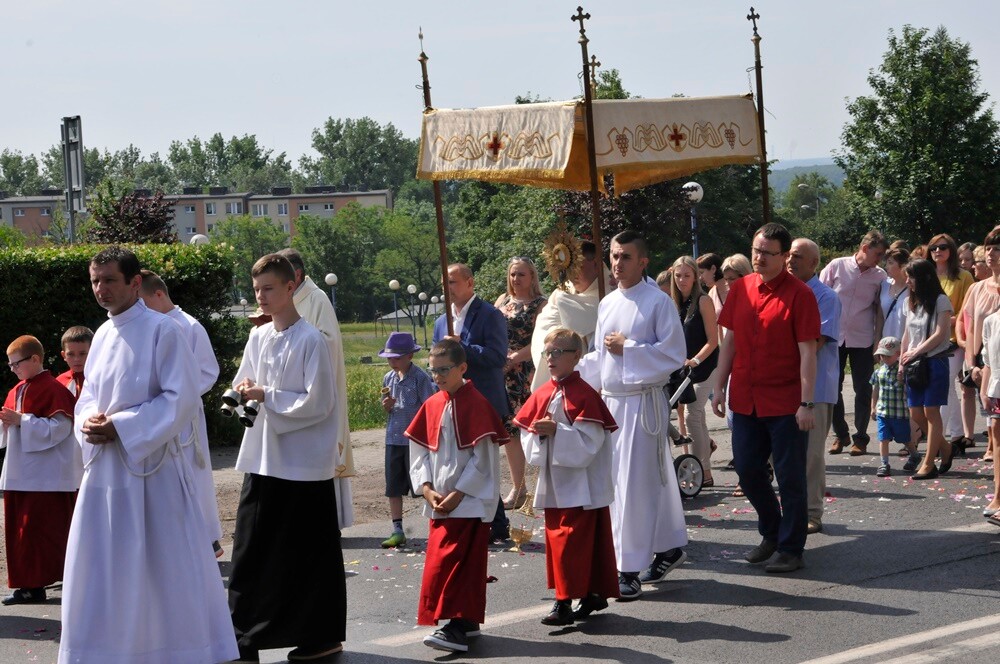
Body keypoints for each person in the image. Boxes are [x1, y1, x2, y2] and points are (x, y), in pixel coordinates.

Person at [60, 246, 238, 664]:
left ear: (135, 283)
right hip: (105, 475)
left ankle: (176, 650)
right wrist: (87, 420)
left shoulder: (164, 330)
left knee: (162, 567)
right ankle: (107, 650)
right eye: (95, 280)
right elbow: (87, 397)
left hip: (152, 472)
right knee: (107, 566)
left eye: (109, 280)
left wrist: (121, 427)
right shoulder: (101, 335)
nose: (100, 289)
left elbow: (180, 399)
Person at [577, 230, 688, 601]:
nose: (616, 263)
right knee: (625, 483)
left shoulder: (658, 303)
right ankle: (668, 545)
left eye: (625, 256)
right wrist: (570, 378)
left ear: (643, 261)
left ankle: (627, 569)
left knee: (634, 485)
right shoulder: (607, 303)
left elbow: (673, 355)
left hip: (642, 404)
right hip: (612, 403)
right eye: (613, 255)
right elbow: (600, 357)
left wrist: (631, 348)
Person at [712, 223, 819, 574]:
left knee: (790, 477)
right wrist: (719, 384)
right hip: (746, 398)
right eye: (756, 250)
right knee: (747, 469)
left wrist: (806, 403)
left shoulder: (800, 295)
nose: (758, 257)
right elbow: (730, 341)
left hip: (786, 402)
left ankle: (791, 549)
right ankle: (772, 532)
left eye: (767, 253)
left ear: (785, 256)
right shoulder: (741, 288)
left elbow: (808, 353)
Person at [405, 339, 507, 654]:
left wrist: (460, 492)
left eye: (444, 370)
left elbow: (484, 461)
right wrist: (426, 488)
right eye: (433, 370)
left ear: (462, 368)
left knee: (456, 565)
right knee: (450, 563)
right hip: (441, 500)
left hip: (469, 501)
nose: (437, 377)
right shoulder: (433, 404)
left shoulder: (478, 404)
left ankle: (457, 628)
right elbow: (419, 451)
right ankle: (468, 622)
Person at [513, 328, 619, 625]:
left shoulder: (586, 394)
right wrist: (539, 435)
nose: (551, 358)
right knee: (565, 542)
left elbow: (589, 445)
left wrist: (558, 431)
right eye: (548, 352)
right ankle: (588, 594)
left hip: (582, 486)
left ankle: (563, 602)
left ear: (577, 356)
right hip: (555, 482)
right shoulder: (542, 393)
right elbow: (527, 437)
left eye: (558, 352)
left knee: (571, 544)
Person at [139, 269, 224, 557]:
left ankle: (206, 538)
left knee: (192, 473)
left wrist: (178, 394)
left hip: (184, 416)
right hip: (155, 414)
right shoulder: (146, 326)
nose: (139, 309)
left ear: (159, 294)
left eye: (143, 301)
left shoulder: (189, 326)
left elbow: (208, 371)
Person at [276, 247, 354, 529]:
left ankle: (328, 520)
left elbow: (328, 342)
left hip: (315, 390)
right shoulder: (287, 298)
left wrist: (295, 341)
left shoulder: (316, 298)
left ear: (296, 274)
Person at [1, 335, 81, 606]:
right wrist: (8, 422)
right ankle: (28, 586)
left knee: (43, 532)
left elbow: (61, 429)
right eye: (10, 365)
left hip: (46, 476)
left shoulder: (54, 389)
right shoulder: (17, 390)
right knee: (22, 532)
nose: (13, 369)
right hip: (19, 472)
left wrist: (22, 420)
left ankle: (42, 583)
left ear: (35, 359)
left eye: (16, 364)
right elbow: (12, 429)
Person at [433, 263, 510, 540]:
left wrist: (463, 349)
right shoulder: (441, 320)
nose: (447, 288)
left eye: (452, 282)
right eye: (445, 283)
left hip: (483, 401)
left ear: (469, 282)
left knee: (483, 462)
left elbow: (497, 357)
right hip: (452, 404)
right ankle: (493, 521)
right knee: (462, 463)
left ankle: (494, 521)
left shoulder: (490, 315)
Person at [787, 238, 841, 535]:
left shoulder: (826, 297)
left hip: (816, 389)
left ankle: (812, 513)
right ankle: (793, 508)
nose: (791, 261)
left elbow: (816, 342)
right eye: (789, 256)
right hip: (784, 386)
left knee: (811, 454)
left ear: (814, 264)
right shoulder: (785, 291)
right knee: (783, 452)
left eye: (798, 257)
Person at [821, 230, 888, 456]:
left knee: (863, 388)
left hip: (862, 338)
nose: (880, 259)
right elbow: (819, 297)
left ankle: (861, 437)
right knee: (833, 387)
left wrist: (877, 340)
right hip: (833, 336)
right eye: (878, 253)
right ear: (865, 248)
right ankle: (840, 434)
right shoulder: (837, 266)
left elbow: (879, 310)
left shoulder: (880, 276)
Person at [494, 256, 547, 509]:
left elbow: (542, 340)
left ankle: (543, 486)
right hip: (502, 371)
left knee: (533, 427)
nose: (516, 279)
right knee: (509, 431)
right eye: (513, 274)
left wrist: (516, 357)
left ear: (532, 277)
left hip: (527, 371)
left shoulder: (541, 304)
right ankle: (519, 487)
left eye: (521, 274)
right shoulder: (502, 301)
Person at [900, 258, 957, 480]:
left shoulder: (941, 300)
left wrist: (917, 351)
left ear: (924, 278)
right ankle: (946, 447)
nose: (907, 281)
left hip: (935, 360)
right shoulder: (910, 302)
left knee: (931, 412)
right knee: (916, 413)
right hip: (914, 365)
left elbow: (941, 333)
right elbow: (907, 333)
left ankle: (928, 462)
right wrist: (903, 360)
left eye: (911, 277)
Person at [666, 256, 719, 486]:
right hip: (683, 370)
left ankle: (702, 472)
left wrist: (695, 360)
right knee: (696, 417)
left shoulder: (703, 301)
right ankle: (705, 462)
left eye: (687, 275)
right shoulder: (673, 303)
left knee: (691, 413)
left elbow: (713, 340)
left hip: (706, 366)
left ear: (696, 276)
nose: (682, 280)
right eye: (678, 275)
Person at [378, 331, 434, 549]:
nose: (392, 362)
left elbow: (429, 407)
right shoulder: (388, 378)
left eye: (397, 357)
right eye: (389, 358)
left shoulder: (420, 378)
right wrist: (386, 405)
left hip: (415, 440)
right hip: (393, 438)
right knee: (393, 487)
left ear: (410, 356)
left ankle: (435, 525)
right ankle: (397, 529)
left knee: (423, 484)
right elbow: (386, 405)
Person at [530, 241, 604, 389]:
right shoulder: (560, 294)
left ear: (596, 264)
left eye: (578, 267)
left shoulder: (610, 294)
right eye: (569, 268)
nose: (572, 274)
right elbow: (544, 329)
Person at [928, 233, 976, 453]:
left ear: (952, 250)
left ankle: (939, 438)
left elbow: (968, 311)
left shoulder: (964, 276)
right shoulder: (926, 276)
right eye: (934, 248)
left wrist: (945, 321)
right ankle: (957, 435)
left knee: (944, 382)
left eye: (943, 247)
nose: (938, 251)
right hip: (929, 339)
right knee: (946, 387)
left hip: (954, 339)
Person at [958, 231, 1000, 459]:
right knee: (991, 413)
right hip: (984, 360)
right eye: (988, 248)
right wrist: (971, 363)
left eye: (997, 248)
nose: (991, 253)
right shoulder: (977, 288)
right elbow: (971, 328)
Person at [869, 337, 916, 476]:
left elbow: (909, 390)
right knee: (883, 438)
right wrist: (873, 407)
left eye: (888, 356)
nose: (884, 358)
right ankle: (884, 464)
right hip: (883, 412)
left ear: (898, 354)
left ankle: (914, 454)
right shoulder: (879, 371)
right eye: (882, 355)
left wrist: (903, 380)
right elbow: (875, 390)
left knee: (904, 438)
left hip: (899, 413)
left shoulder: (903, 371)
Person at [978, 308, 1000, 521]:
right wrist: (984, 391)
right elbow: (988, 360)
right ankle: (998, 496)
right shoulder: (991, 321)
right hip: (997, 388)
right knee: (997, 436)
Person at [55, 326, 92, 401]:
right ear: (64, 355)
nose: (77, 359)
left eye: (82, 353)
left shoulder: (101, 379)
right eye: (71, 354)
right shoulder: (59, 382)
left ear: (92, 352)